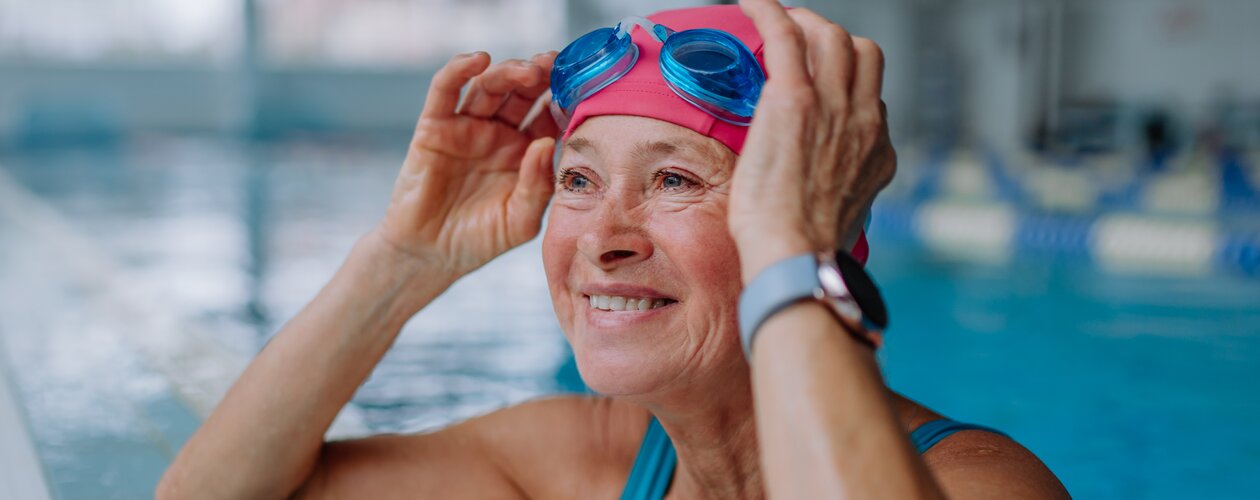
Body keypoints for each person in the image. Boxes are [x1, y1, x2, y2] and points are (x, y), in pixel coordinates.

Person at [159, 1, 1069, 498]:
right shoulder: (581, 465)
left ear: (811, 221)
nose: (602, 239)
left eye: (674, 180)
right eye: (580, 180)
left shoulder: (980, 484)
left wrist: (791, 252)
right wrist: (405, 261)